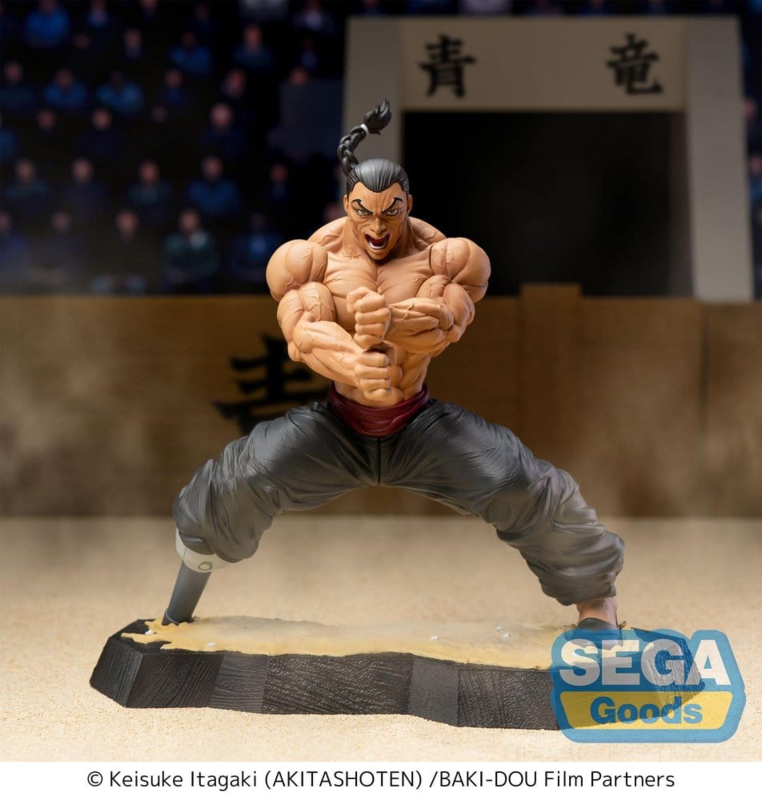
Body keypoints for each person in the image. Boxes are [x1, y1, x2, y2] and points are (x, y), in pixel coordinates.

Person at [163, 101, 624, 632]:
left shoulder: (445, 257)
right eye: (363, 212)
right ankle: (176, 613)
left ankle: (597, 605)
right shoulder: (311, 259)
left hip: (417, 426)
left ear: (408, 205)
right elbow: (301, 334)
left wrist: (390, 320)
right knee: (238, 480)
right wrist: (352, 363)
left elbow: (448, 323)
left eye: (390, 212)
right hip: (339, 426)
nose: (377, 227)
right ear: (347, 205)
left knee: (519, 482)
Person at [161, 208, 219, 293]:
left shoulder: (206, 240)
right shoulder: (172, 241)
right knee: (168, 282)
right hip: (179, 277)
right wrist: (176, 274)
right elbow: (167, 263)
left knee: (206, 282)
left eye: (191, 220)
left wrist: (194, 274)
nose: (188, 223)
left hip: (200, 276)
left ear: (197, 221)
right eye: (185, 220)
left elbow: (212, 264)